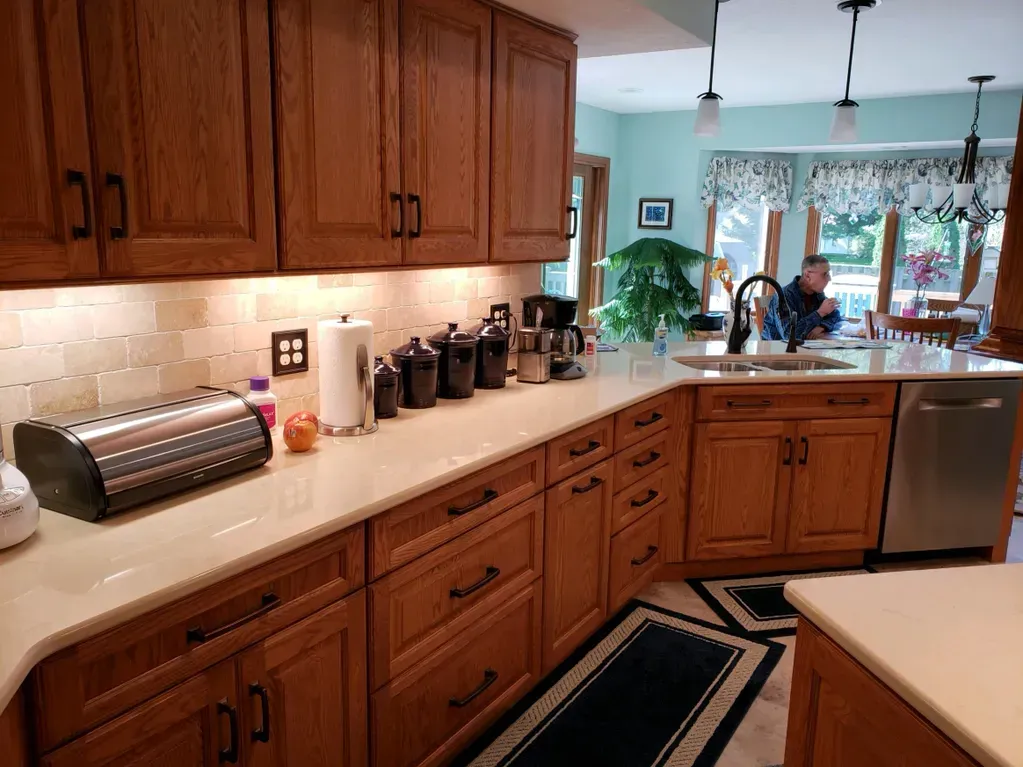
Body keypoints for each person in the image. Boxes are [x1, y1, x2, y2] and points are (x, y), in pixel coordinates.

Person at [761, 254, 843, 341]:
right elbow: (788, 335)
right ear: (807, 275)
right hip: (778, 350)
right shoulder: (784, 296)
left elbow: (835, 315)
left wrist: (822, 326)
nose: (829, 278)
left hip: (806, 347)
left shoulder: (817, 294)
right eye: (825, 274)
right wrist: (820, 313)